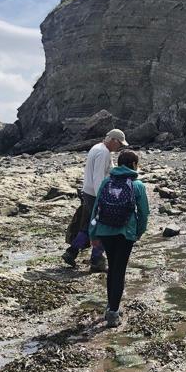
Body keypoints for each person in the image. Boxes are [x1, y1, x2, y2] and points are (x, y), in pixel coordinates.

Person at [89, 149, 149, 327]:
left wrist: (93, 233)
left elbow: (96, 209)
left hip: (105, 231)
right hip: (125, 233)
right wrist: (139, 231)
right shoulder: (137, 185)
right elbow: (144, 212)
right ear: (133, 165)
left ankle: (110, 305)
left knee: (112, 268)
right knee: (119, 270)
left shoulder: (107, 182)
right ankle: (114, 313)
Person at [62, 129, 128, 272]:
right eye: (119, 144)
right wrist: (102, 199)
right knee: (101, 226)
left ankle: (72, 252)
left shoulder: (98, 148)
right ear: (113, 141)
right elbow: (98, 177)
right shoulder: (103, 153)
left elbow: (107, 170)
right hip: (94, 195)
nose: (119, 148)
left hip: (88, 192)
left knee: (88, 225)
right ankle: (96, 260)